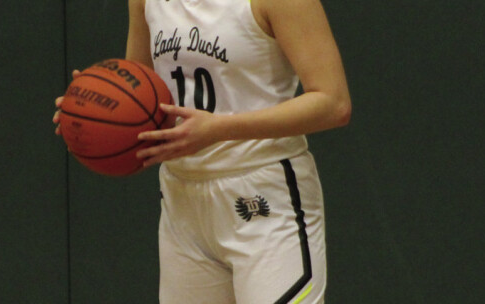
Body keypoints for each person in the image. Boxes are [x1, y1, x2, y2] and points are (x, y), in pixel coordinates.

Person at [54, 0, 351, 302]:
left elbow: (333, 102)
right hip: (182, 200)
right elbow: (140, 89)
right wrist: (90, 113)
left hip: (264, 194)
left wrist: (219, 129)